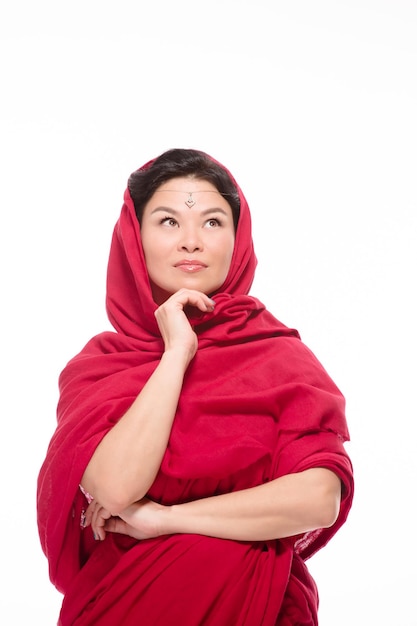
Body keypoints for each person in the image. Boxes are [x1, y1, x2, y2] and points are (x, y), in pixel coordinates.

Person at [37, 148, 354, 625]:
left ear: (237, 237)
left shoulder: (279, 357)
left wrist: (165, 520)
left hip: (260, 609)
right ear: (134, 238)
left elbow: (319, 499)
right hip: (121, 606)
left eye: (212, 222)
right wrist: (175, 354)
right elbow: (117, 487)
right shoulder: (100, 366)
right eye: (168, 222)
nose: (191, 242)